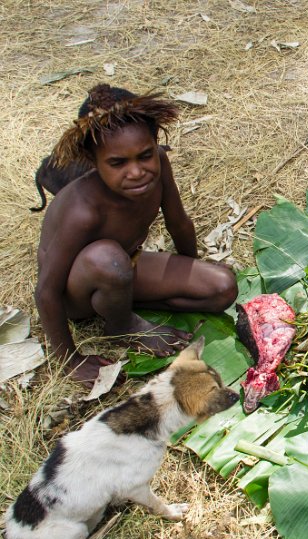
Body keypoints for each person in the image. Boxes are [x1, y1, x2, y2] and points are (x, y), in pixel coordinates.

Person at [35, 84, 238, 387]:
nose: (136, 172)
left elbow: (179, 222)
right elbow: (46, 291)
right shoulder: (83, 208)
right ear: (93, 161)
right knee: (108, 258)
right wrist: (70, 361)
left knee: (223, 287)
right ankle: (122, 325)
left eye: (144, 156)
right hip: (78, 292)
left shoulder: (160, 166)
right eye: (118, 163)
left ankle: (119, 302)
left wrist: (189, 270)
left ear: (154, 144)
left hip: (124, 267)